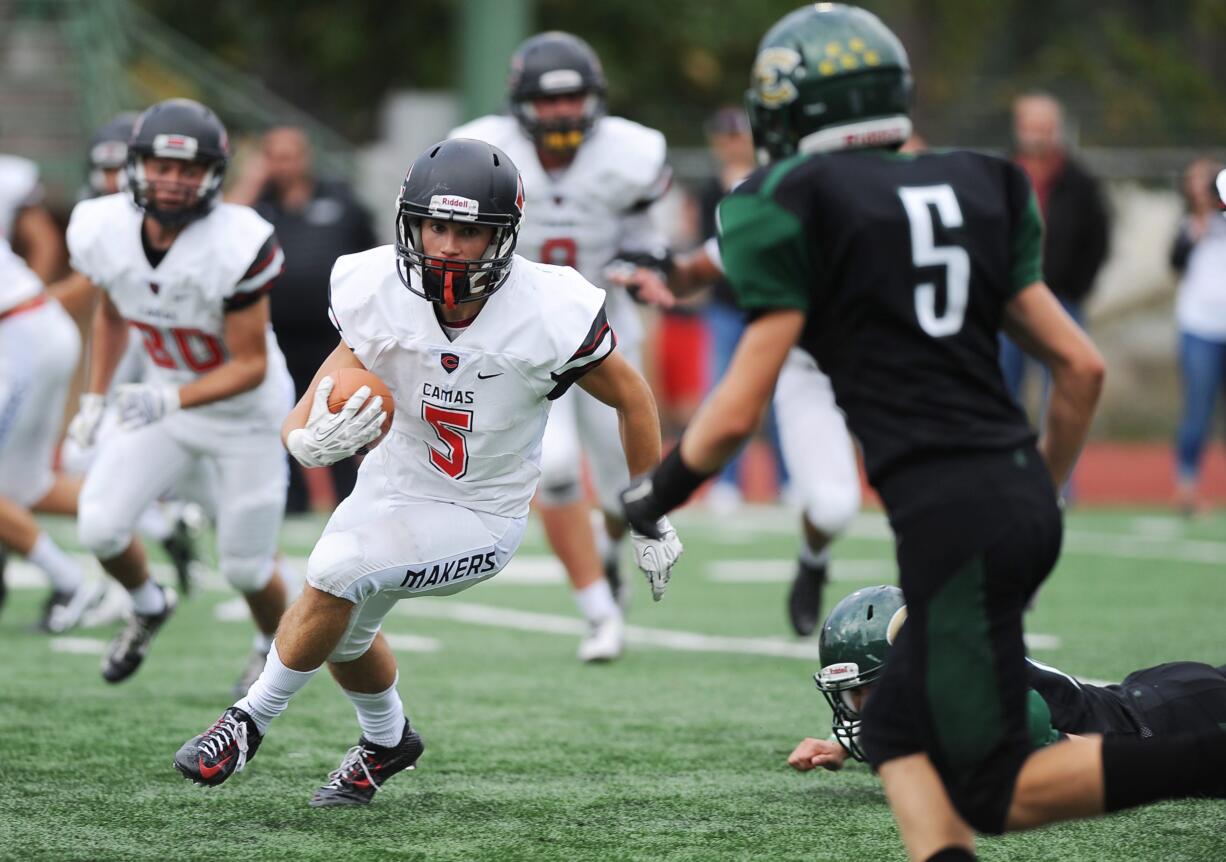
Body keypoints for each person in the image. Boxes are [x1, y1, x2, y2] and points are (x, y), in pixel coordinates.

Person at [620, 7, 1226, 861]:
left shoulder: (785, 200)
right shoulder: (985, 181)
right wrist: (1037, 489)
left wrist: (651, 495)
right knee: (898, 728)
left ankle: (1211, 759)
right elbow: (1080, 371)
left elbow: (735, 410)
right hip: (1013, 485)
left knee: (998, 791)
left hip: (948, 507)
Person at [172, 138, 681, 807]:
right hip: (391, 485)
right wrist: (304, 442)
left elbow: (634, 399)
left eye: (467, 231)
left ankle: (249, 721)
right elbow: (316, 395)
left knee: (333, 575)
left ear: (501, 237)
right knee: (341, 627)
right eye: (435, 225)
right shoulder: (374, 285)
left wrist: (650, 513)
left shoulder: (551, 310)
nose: (445, 244)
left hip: (480, 513)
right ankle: (388, 741)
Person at [449, 32, 675, 661]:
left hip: (603, 327)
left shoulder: (630, 152)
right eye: (549, 102)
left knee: (614, 490)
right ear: (521, 104)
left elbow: (643, 234)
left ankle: (608, 562)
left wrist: (640, 263)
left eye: (573, 98)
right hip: (520, 330)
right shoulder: (485, 147)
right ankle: (599, 613)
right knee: (550, 472)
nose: (562, 113)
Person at [64, 98, 294, 686]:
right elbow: (113, 310)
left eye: (188, 169)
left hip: (242, 413)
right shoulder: (103, 226)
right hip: (169, 396)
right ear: (136, 166)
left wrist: (168, 400)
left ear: (212, 175)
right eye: (162, 166)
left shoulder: (235, 242)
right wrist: (96, 396)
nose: (173, 181)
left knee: (245, 568)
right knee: (100, 526)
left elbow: (250, 364)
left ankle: (271, 645)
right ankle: (147, 605)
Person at [791, 585, 1226, 773]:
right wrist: (841, 749)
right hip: (1143, 695)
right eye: (851, 698)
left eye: (865, 694)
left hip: (1168, 717)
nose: (860, 710)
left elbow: (1108, 758)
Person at [232, 127, 377, 513]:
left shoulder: (340, 200)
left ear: (306, 157)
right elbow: (222, 235)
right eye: (275, 156)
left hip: (333, 335)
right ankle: (292, 504)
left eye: (290, 154)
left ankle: (351, 500)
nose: (284, 164)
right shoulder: (256, 207)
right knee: (283, 414)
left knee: (344, 409)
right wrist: (250, 180)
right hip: (275, 335)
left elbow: (373, 256)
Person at [0, 152, 99, 632]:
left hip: (21, 335)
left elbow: (43, 240)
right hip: (26, 328)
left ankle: (71, 581)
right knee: (26, 484)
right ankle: (151, 514)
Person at [999, 92, 1110, 412]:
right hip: (1009, 299)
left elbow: (1099, 238)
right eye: (1031, 126)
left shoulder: (1079, 181)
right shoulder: (1000, 174)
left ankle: (1058, 461)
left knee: (1066, 387)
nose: (1036, 135)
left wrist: (1078, 287)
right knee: (1005, 387)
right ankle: (1011, 461)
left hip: (1062, 298)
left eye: (1044, 127)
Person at [1169, 157, 1226, 516]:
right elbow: (1174, 262)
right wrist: (1198, 227)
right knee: (1198, 410)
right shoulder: (1189, 225)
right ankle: (1186, 487)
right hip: (1199, 328)